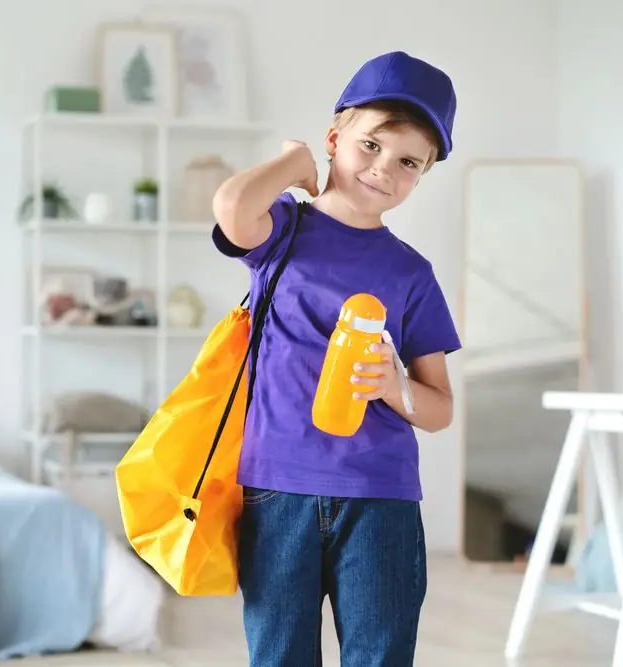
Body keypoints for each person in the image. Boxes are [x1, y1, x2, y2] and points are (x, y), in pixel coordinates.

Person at [211, 50, 461, 666]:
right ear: (334, 139)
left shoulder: (412, 273)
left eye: (408, 162)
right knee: (279, 655)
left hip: (380, 496)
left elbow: (439, 410)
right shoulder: (282, 230)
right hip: (276, 488)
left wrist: (394, 387)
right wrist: (291, 164)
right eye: (371, 145)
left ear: (422, 175)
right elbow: (231, 207)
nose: (383, 169)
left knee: (380, 656)